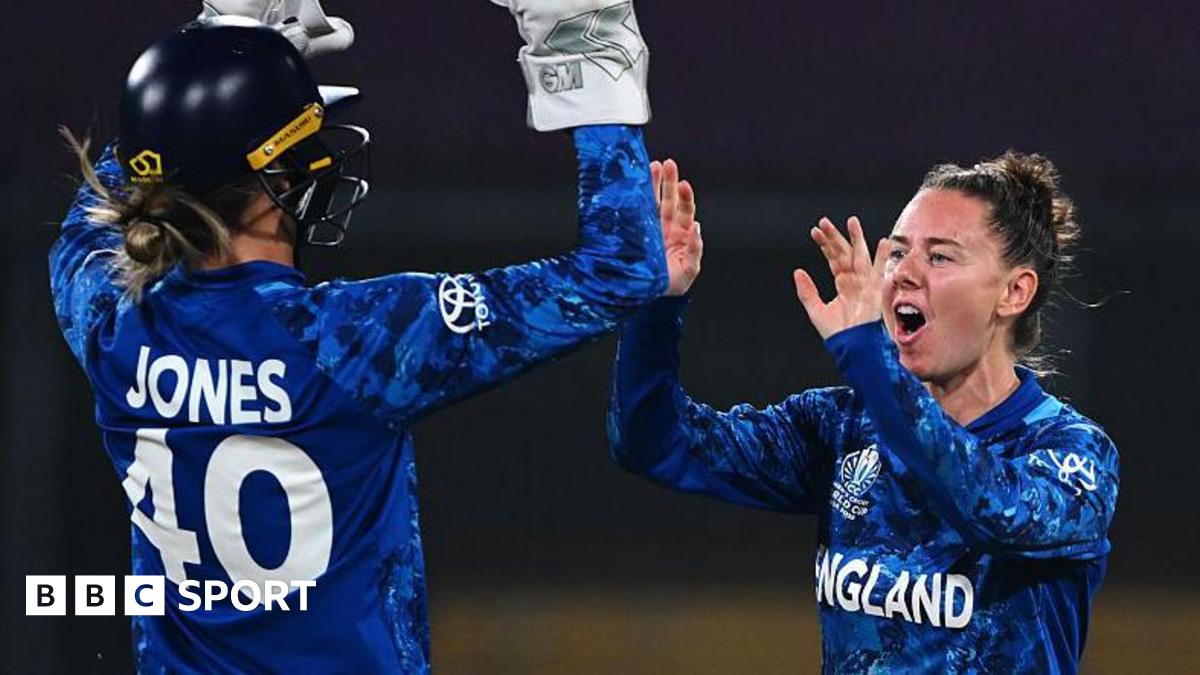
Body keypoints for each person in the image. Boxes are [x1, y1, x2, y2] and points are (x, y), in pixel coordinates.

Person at [51, 2, 665, 671]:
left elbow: (108, 201)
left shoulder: (114, 326)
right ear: (276, 182)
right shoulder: (353, 338)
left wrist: (216, 52)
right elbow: (620, 270)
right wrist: (585, 47)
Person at [609, 152, 1119, 673]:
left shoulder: (1073, 456)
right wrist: (655, 305)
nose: (904, 274)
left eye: (940, 257)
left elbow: (990, 511)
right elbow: (653, 441)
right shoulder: (843, 427)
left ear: (1014, 292)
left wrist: (870, 358)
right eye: (897, 253)